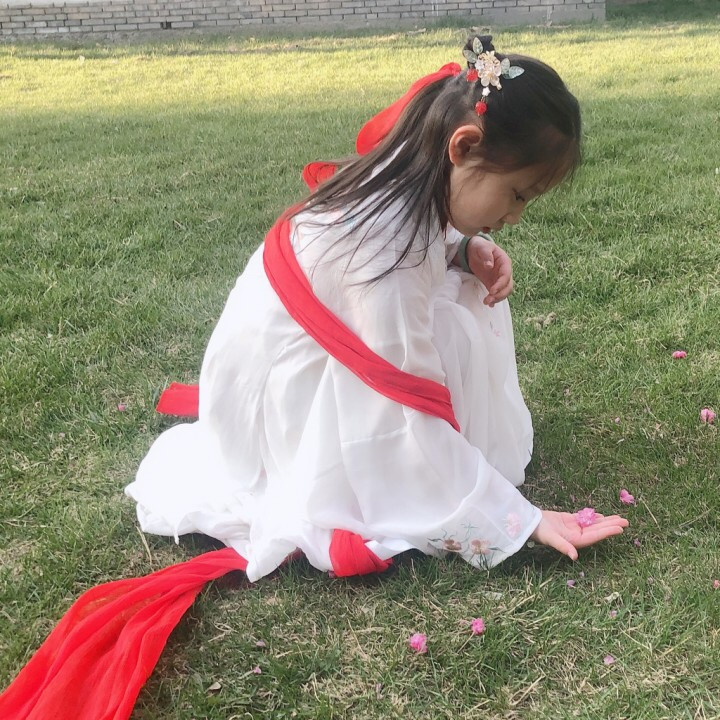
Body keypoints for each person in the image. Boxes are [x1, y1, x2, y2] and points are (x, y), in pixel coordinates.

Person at [125, 35, 629, 583]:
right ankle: (385, 481)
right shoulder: (386, 251)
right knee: (451, 325)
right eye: (518, 195)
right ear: (462, 147)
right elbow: (411, 403)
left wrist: (464, 249)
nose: (517, 217)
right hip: (281, 406)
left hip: (309, 355)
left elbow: (428, 250)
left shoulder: (409, 176)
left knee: (465, 292)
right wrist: (519, 520)